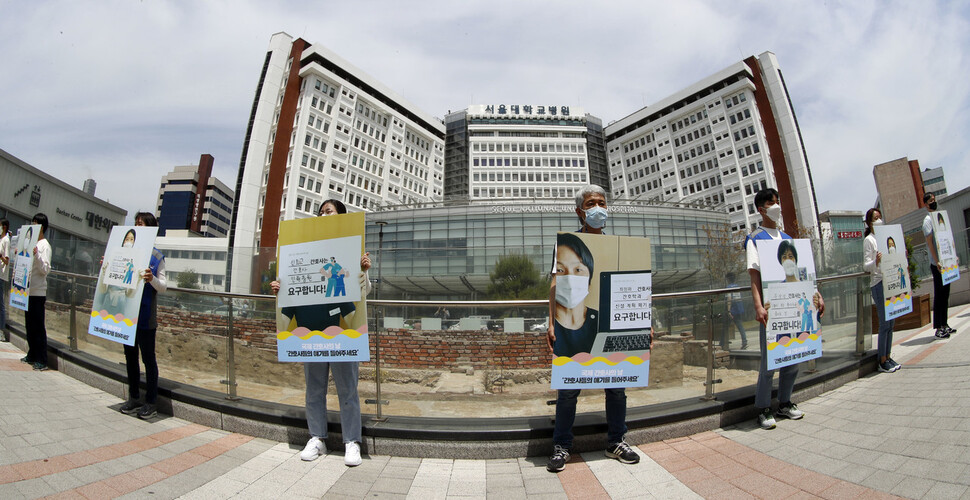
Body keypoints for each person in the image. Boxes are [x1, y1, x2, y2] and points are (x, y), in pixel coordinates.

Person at [546, 184, 641, 473]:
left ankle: (616, 442)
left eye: (601, 202)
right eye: (590, 203)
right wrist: (550, 322)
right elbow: (554, 285)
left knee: (616, 388)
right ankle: (562, 447)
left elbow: (633, 286)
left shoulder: (617, 247)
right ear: (580, 210)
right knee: (568, 390)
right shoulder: (566, 244)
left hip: (608, 324)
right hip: (569, 327)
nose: (597, 207)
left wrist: (642, 323)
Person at [270, 199, 372, 467]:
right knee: (314, 389)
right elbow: (288, 298)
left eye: (329, 211)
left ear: (341, 217)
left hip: (341, 336)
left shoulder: (350, 249)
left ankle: (352, 441)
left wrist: (364, 273)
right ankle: (317, 437)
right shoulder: (302, 247)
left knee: (347, 389)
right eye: (321, 211)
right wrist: (280, 288)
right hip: (310, 336)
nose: (323, 214)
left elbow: (361, 297)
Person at [744, 189, 824, 430]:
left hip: (796, 307)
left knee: (795, 355)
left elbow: (804, 273)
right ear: (761, 209)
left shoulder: (787, 238)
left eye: (777, 202)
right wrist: (758, 306)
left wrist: (817, 295)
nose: (777, 206)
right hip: (773, 308)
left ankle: (785, 402)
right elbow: (754, 277)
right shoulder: (754, 239)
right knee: (770, 361)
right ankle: (763, 407)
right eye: (771, 203)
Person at [119, 213, 167, 419]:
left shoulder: (157, 257)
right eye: (136, 224)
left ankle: (151, 401)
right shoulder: (125, 252)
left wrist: (152, 278)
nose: (137, 227)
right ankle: (134, 397)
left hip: (145, 316)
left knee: (148, 359)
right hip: (127, 314)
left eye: (141, 224)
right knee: (130, 358)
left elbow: (163, 287)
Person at [862, 208, 898, 373]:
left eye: (879, 217)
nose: (878, 220)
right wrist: (876, 261)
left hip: (890, 282)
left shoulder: (885, 237)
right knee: (884, 323)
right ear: (869, 223)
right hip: (878, 283)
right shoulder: (869, 240)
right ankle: (882, 360)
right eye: (875, 218)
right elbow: (866, 265)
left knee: (891, 322)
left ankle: (888, 356)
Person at [923, 193, 956, 338]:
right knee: (939, 294)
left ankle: (945, 323)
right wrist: (936, 261)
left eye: (934, 200)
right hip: (937, 264)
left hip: (947, 262)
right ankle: (938, 327)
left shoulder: (939, 217)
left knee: (946, 294)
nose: (933, 202)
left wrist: (952, 255)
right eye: (930, 201)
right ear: (925, 204)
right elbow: (930, 243)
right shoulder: (927, 221)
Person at [22, 214, 52, 371]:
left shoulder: (44, 246)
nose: (32, 225)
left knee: (38, 326)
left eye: (35, 223)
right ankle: (32, 354)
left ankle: (42, 359)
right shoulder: (31, 242)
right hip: (27, 290)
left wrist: (37, 255)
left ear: (41, 227)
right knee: (30, 325)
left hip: (38, 292)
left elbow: (45, 269)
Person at [720, 272, 748, 350]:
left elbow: (729, 299)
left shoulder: (728, 287)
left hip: (732, 310)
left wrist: (729, 311)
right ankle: (744, 341)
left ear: (728, 279)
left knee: (725, 327)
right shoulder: (737, 287)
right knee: (740, 326)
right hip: (738, 309)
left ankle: (722, 343)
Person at [0, 219, 9, 342]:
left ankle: (1, 330)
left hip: (1, 275)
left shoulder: (6, 240)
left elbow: (7, 260)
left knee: (0, 305)